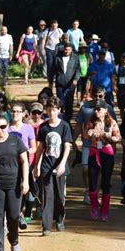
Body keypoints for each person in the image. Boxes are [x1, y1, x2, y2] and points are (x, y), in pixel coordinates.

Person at [0, 115, 29, 251]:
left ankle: (14, 239)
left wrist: (25, 181)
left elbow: (24, 161)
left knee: (13, 216)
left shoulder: (16, 141)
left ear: (7, 126)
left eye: (3, 127)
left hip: (14, 186)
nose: (0, 130)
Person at [34, 97, 73, 235]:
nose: (51, 112)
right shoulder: (44, 127)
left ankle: (60, 219)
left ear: (59, 110)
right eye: (49, 110)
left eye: (54, 110)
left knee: (59, 195)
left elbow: (67, 146)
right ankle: (46, 226)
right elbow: (40, 147)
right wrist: (37, 165)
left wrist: (62, 164)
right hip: (46, 166)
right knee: (47, 195)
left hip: (60, 166)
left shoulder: (65, 126)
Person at [72, 87, 117, 205]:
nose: (98, 98)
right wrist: (72, 140)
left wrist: (114, 144)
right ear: (91, 94)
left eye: (100, 96)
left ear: (104, 96)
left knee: (102, 171)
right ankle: (88, 191)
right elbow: (78, 125)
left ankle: (99, 192)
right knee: (86, 169)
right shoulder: (85, 108)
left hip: (104, 146)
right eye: (95, 95)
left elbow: (114, 127)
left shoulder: (109, 108)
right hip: (88, 145)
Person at [83, 100, 121, 221]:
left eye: (99, 109)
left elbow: (118, 137)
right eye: (95, 109)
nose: (96, 111)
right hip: (94, 151)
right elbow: (85, 135)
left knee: (106, 182)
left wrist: (109, 136)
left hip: (106, 152)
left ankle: (104, 211)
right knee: (93, 181)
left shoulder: (111, 123)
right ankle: (94, 208)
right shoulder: (91, 122)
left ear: (105, 110)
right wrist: (89, 133)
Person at [8, 103, 36, 226]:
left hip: (25, 165)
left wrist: (24, 154)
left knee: (27, 191)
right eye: (14, 111)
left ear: (24, 113)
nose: (16, 114)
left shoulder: (28, 128)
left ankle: (24, 214)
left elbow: (34, 147)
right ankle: (17, 215)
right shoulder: (6, 128)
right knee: (14, 191)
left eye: (18, 112)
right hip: (10, 166)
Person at [54, 43, 80, 121]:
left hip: (71, 83)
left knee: (69, 102)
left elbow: (78, 70)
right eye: (66, 49)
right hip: (60, 82)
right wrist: (51, 80)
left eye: (69, 50)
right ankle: (60, 117)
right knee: (60, 101)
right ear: (63, 49)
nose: (67, 51)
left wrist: (75, 79)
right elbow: (53, 69)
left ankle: (68, 119)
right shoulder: (57, 57)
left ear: (71, 50)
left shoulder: (75, 58)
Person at [42, 20, 64, 88]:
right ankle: (50, 83)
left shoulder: (59, 31)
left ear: (57, 25)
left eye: (55, 24)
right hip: (49, 49)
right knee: (50, 66)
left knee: (58, 65)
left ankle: (58, 82)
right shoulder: (47, 30)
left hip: (58, 50)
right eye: (53, 24)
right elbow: (44, 40)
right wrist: (42, 49)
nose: (54, 26)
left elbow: (63, 39)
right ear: (51, 25)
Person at [77, 41, 93, 106]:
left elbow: (91, 64)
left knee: (84, 88)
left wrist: (90, 72)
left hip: (86, 74)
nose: (83, 49)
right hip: (78, 74)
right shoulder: (76, 55)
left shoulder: (88, 55)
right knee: (79, 88)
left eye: (84, 48)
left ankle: (81, 100)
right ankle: (78, 101)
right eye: (81, 48)